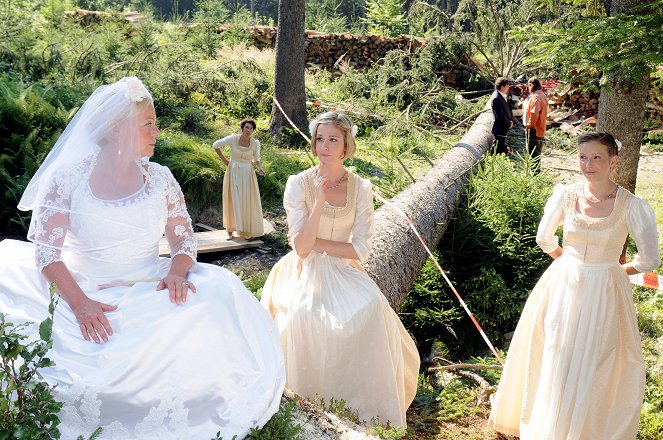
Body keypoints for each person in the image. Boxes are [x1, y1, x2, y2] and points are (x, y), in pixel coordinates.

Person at [0, 77, 285, 439]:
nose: (157, 131)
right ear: (118, 129)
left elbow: (183, 244)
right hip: (84, 288)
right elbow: (47, 254)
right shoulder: (67, 179)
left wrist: (179, 273)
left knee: (220, 294)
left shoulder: (161, 178)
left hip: (151, 281)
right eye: (148, 123)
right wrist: (81, 304)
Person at [488, 132, 660, 439]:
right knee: (556, 349)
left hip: (606, 290)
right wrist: (566, 261)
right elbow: (544, 237)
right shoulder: (566, 195)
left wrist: (616, 270)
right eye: (583, 157)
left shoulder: (632, 206)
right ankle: (548, 425)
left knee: (597, 358)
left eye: (597, 157)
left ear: (613, 160)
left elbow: (649, 260)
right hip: (563, 285)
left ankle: (583, 430)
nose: (588, 164)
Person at [260, 111, 420, 427]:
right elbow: (301, 249)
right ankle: (305, 406)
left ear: (346, 145)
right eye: (320, 138)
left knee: (372, 307)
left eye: (333, 139)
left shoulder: (361, 187)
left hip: (343, 269)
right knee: (304, 314)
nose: (325, 146)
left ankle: (355, 405)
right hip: (303, 270)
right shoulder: (298, 184)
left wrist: (319, 244)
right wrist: (318, 201)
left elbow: (359, 248)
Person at [213, 119, 266, 240]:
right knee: (233, 199)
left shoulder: (255, 143)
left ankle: (245, 230)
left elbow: (256, 159)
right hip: (234, 171)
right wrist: (225, 160)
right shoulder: (233, 138)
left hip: (247, 173)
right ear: (242, 128)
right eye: (246, 127)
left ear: (253, 130)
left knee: (246, 200)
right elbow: (215, 145)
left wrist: (260, 169)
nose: (248, 130)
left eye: (251, 128)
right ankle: (230, 231)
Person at [525, 77, 548, 172]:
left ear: (531, 85)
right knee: (537, 152)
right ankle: (535, 172)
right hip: (540, 129)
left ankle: (534, 174)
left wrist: (528, 126)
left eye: (528, 86)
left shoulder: (536, 97)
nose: (528, 88)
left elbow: (534, 114)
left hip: (534, 129)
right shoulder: (542, 95)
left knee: (533, 153)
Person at [490, 77, 514, 154]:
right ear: (502, 86)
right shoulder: (496, 98)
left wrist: (511, 120)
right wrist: (508, 123)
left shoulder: (500, 95)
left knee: (500, 147)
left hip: (503, 127)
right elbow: (499, 115)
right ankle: (492, 162)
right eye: (507, 86)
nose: (508, 88)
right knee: (496, 148)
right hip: (499, 127)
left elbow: (507, 110)